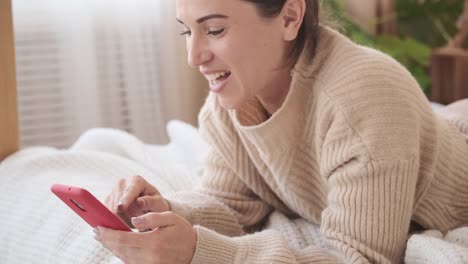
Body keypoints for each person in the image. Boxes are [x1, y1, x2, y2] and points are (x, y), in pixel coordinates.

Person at [93, 0, 468, 263]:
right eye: (187, 32)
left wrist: (200, 253)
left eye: (215, 29)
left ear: (290, 17)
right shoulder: (230, 105)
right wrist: (162, 212)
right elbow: (234, 204)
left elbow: (360, 259)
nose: (194, 56)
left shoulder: (364, 99)